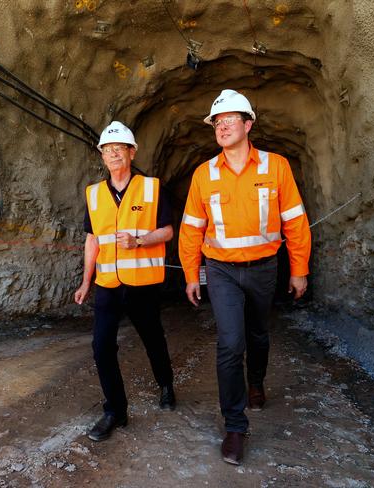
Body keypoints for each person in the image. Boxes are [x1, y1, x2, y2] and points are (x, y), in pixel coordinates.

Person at [178, 89, 311, 464]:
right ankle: (235, 427)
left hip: (264, 269)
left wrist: (299, 269)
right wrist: (192, 274)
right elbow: (191, 229)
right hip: (220, 270)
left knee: (257, 334)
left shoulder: (276, 166)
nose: (221, 126)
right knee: (230, 343)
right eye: (217, 122)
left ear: (248, 124)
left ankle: (256, 381)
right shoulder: (204, 174)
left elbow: (296, 223)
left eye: (229, 120)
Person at [74, 121, 176, 442]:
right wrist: (85, 280)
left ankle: (165, 383)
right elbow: (93, 240)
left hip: (142, 283)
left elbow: (168, 231)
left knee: (152, 338)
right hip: (107, 283)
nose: (113, 154)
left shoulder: (152, 188)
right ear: (102, 155)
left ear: (132, 152)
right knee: (101, 346)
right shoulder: (94, 194)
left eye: (119, 149)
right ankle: (115, 411)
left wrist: (140, 240)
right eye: (108, 150)